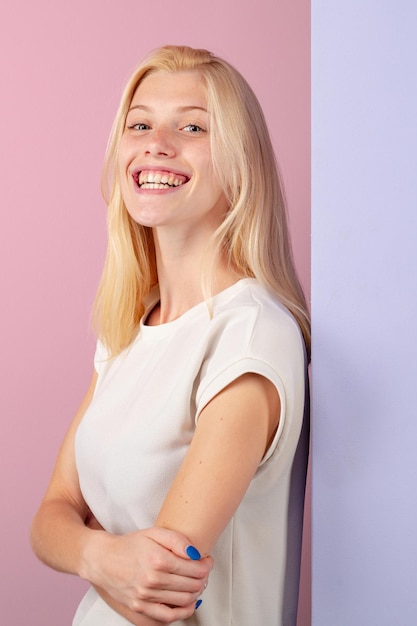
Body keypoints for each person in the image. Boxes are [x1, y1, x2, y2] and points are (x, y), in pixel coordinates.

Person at [30, 45, 311, 626]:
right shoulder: (128, 329)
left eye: (192, 126)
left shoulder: (250, 339)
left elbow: (159, 589)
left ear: (240, 161)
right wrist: (100, 554)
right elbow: (48, 518)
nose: (156, 143)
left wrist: (88, 553)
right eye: (140, 124)